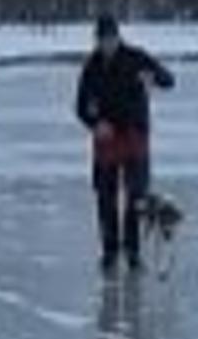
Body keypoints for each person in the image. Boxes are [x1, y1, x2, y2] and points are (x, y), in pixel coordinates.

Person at [73, 13, 175, 270]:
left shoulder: (136, 58)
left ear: (118, 37)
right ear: (96, 40)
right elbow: (81, 106)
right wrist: (95, 124)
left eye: (111, 38)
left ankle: (132, 252)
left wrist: (155, 78)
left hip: (134, 136)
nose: (106, 44)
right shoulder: (91, 66)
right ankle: (109, 251)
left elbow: (168, 80)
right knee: (105, 198)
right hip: (106, 140)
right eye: (102, 39)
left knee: (135, 198)